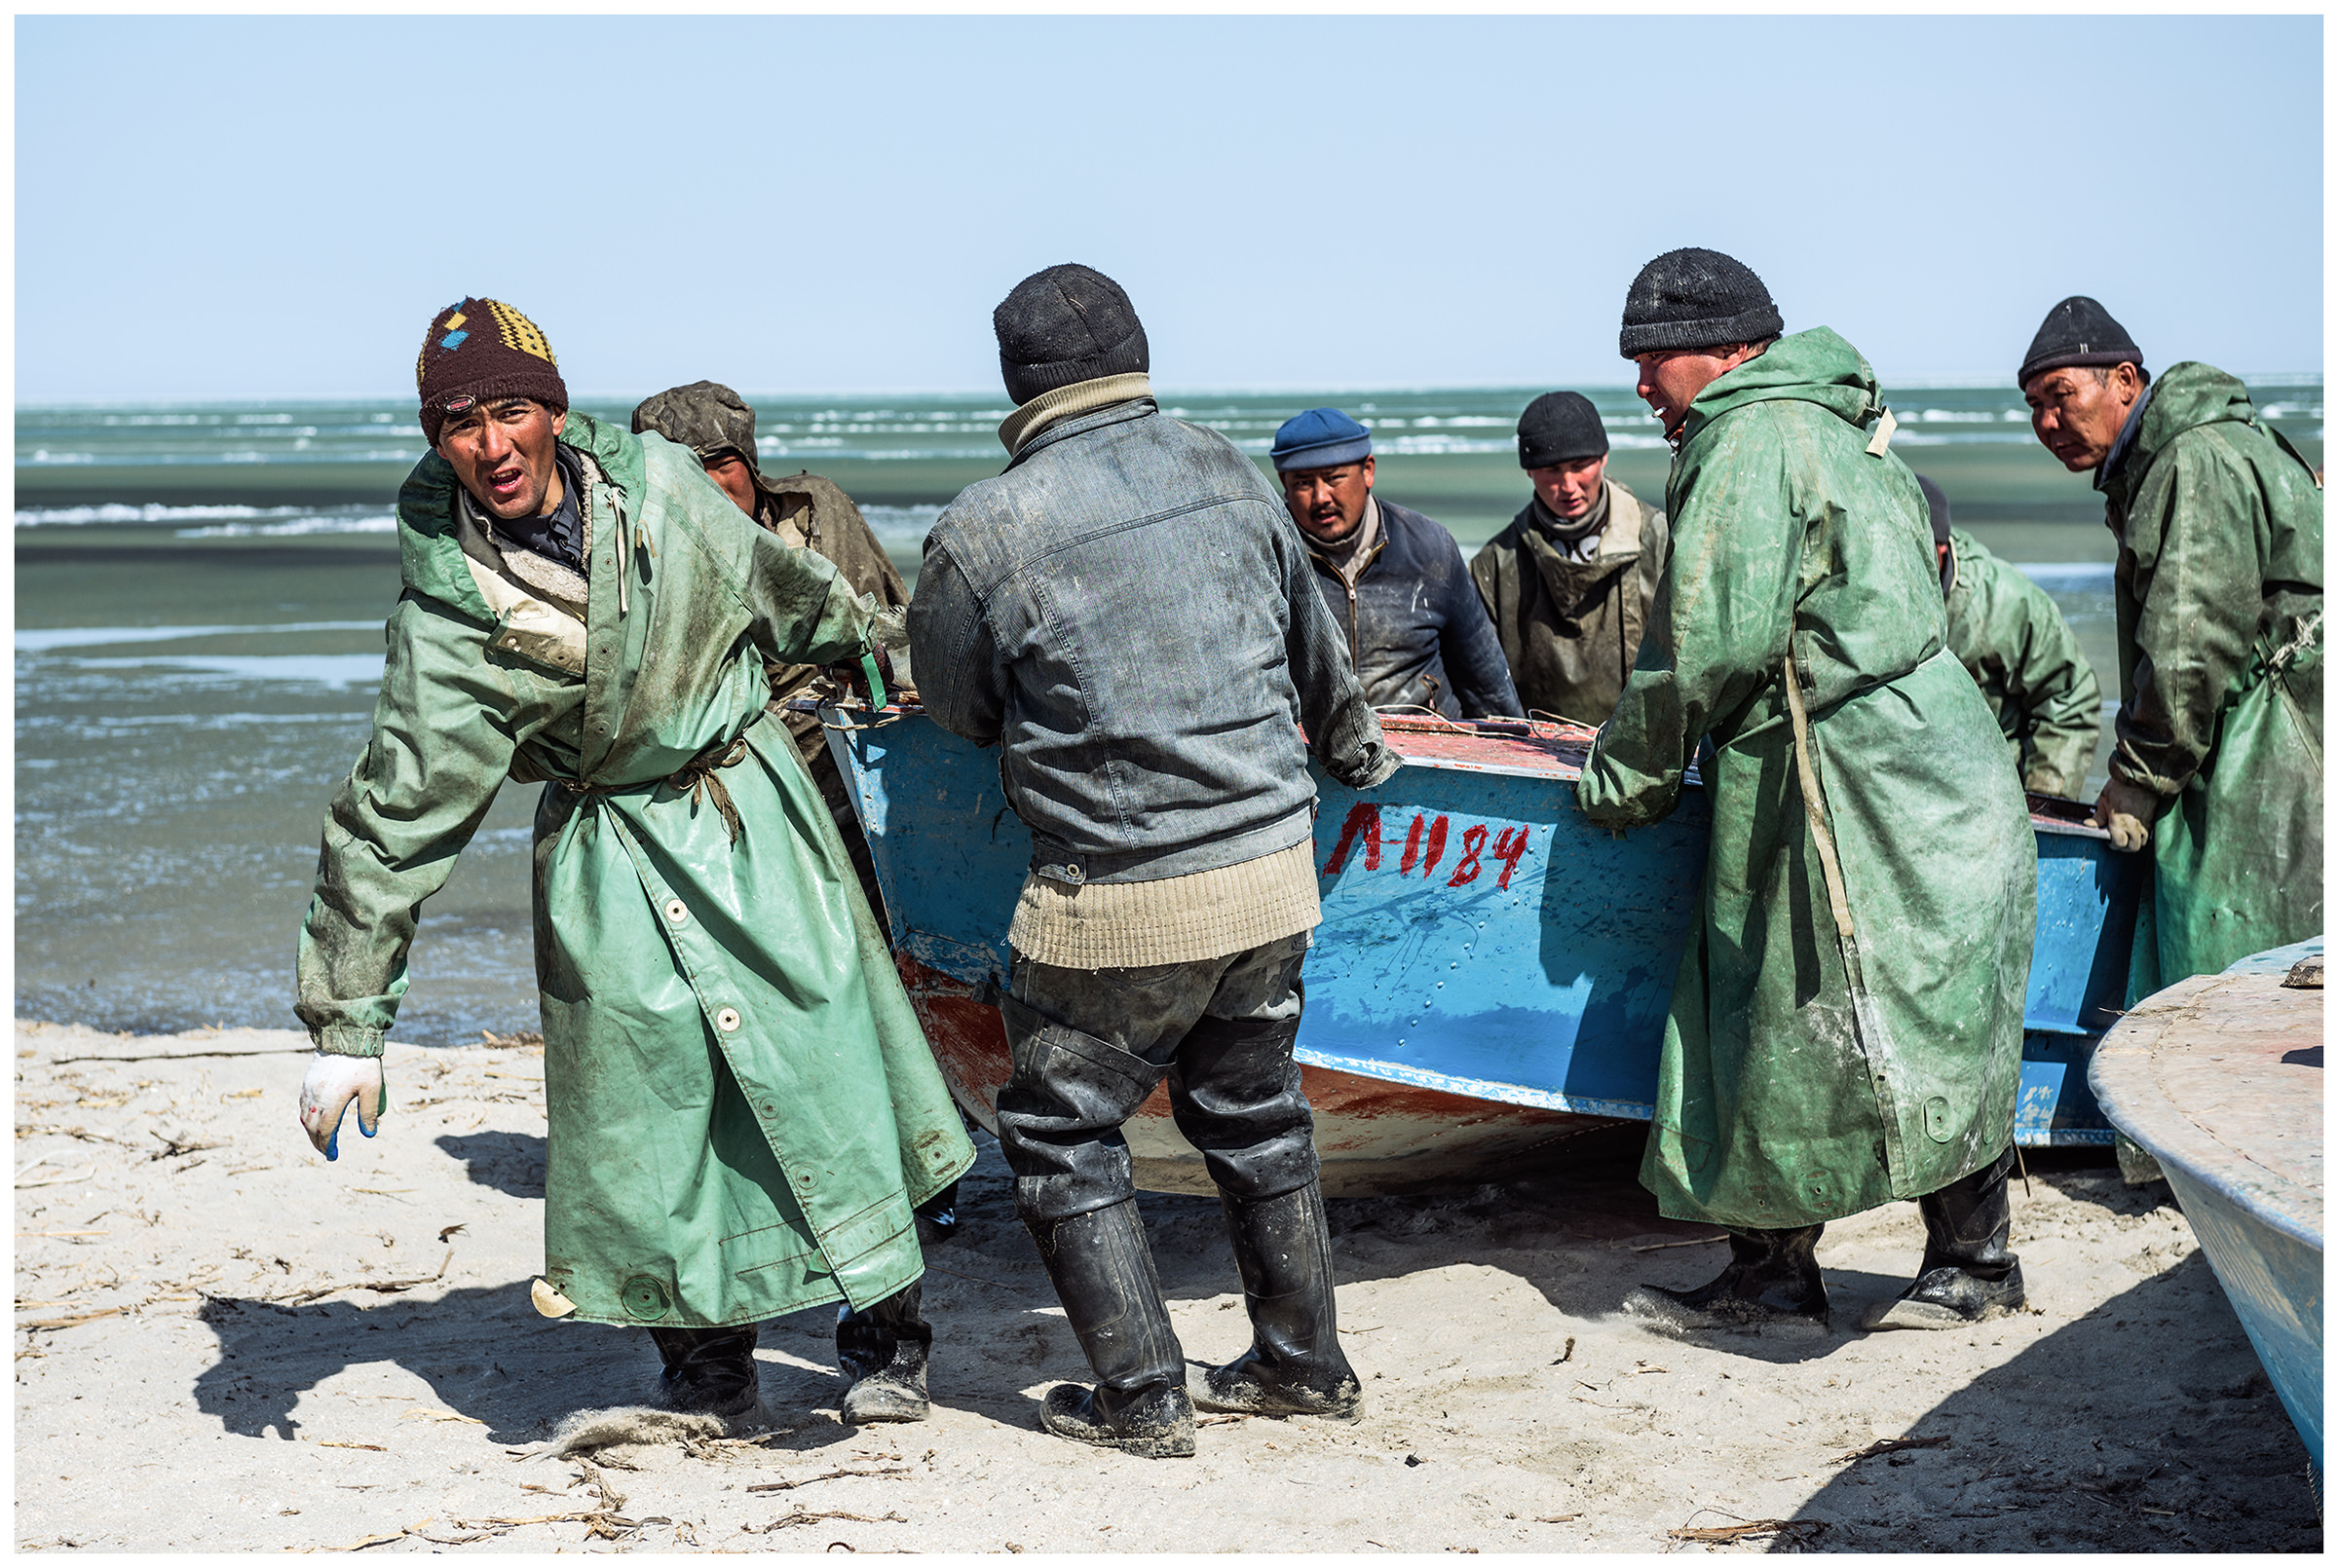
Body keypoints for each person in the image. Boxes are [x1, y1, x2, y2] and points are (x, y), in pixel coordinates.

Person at [293, 299, 972, 1430]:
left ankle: (887, 1340)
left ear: (553, 410)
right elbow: (397, 806)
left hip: (751, 810)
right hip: (607, 856)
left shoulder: (661, 486)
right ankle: (706, 1370)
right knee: (654, 1114)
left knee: (831, 1066)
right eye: (459, 423)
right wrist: (347, 1023)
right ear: (436, 439)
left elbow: (796, 595)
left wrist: (904, 663)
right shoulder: (450, 614)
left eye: (512, 408)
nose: (491, 443)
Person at [911, 265, 1401, 1457]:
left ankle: (1142, 1395)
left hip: (1117, 900)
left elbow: (958, 706)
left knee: (1062, 1126)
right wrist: (1354, 754)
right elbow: (1320, 655)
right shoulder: (1230, 470)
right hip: (1273, 872)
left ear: (1020, 384)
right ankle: (1302, 1363)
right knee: (1256, 1112)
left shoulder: (987, 527)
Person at [1577, 249, 2039, 1333]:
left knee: (1766, 1009)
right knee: (1933, 1007)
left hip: (1854, 774)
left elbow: (1702, 643)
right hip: (1941, 757)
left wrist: (1624, 775)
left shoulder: (1747, 437)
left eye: (1655, 360)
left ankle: (1783, 1276)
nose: (1642, 386)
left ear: (1730, 349)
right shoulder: (1837, 423)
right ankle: (1972, 1259)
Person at [2017, 296, 2323, 989]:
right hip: (2292, 750)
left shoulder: (2191, 462)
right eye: (2033, 405)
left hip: (2267, 771)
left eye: (2061, 395)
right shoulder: (2214, 447)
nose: (2046, 422)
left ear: (2125, 381)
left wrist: (2137, 778)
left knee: (2237, 1001)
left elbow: (2191, 646)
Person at [630, 381, 908, 923]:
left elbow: (886, 625)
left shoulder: (814, 510)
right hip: (739, 771)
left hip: (849, 754)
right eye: (685, 469)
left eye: (720, 462)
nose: (707, 484)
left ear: (749, 462)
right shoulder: (645, 560)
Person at [1271, 407, 1520, 720]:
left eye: (1334, 479)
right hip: (1311, 750)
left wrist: (1513, 742)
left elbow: (1484, 677)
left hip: (1426, 744)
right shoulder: (1268, 556)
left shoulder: (1431, 546)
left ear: (1368, 471)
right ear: (1284, 482)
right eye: (1303, 483)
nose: (1320, 496)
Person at [1468, 391, 1670, 725]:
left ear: (1603, 457)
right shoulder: (1494, 565)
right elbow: (1481, 685)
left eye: (1580, 466)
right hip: (1537, 754)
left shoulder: (1660, 540)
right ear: (1529, 472)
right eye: (1552, 470)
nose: (1568, 485)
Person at [1917, 474, 2102, 797]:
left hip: (1995, 788)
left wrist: (2043, 798)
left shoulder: (2004, 603)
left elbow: (2070, 698)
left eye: (1914, 549)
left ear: (1940, 547)